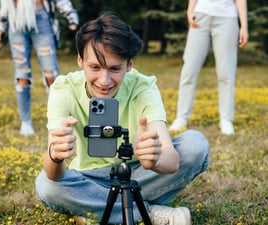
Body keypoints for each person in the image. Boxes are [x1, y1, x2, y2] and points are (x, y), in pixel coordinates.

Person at [35, 12, 209, 225]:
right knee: (45, 184)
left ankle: (95, 209)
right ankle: (148, 213)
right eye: (95, 67)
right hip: (88, 178)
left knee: (195, 145)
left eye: (115, 68)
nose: (105, 81)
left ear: (129, 64)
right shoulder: (64, 89)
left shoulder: (142, 87)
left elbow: (171, 161)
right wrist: (55, 154)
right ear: (80, 60)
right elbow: (54, 174)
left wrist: (154, 159)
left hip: (137, 174)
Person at [0, 0, 79, 136]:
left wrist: (71, 15)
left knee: (51, 75)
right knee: (22, 75)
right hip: (16, 21)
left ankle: (58, 119)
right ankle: (25, 121)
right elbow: (4, 7)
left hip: (40, 18)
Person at [169, 0, 249, 135]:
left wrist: (244, 26)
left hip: (227, 17)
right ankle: (182, 117)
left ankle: (226, 119)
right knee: (189, 70)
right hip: (200, 16)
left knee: (226, 73)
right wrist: (190, 10)